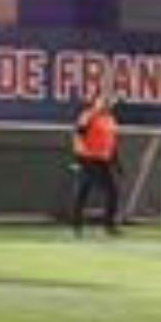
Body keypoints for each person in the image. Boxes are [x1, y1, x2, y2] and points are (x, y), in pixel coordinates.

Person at [70, 90, 123, 236]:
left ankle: (109, 226)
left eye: (107, 101)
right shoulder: (88, 115)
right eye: (102, 100)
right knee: (83, 191)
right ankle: (77, 226)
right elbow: (78, 135)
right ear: (95, 101)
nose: (105, 103)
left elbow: (111, 142)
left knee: (112, 192)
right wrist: (78, 157)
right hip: (88, 158)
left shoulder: (110, 119)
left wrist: (116, 162)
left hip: (103, 160)